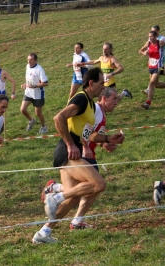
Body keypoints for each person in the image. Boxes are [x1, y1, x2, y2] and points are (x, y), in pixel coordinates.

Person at [32, 68, 124, 244]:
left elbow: (88, 135)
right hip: (67, 152)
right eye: (100, 83)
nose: (102, 87)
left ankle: (44, 232)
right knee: (98, 184)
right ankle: (55, 196)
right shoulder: (82, 99)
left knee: (73, 196)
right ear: (91, 83)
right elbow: (58, 118)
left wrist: (107, 139)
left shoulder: (89, 104)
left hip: (72, 150)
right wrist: (70, 144)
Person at [20, 52, 49, 134]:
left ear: (35, 60)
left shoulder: (39, 69)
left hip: (38, 94)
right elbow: (29, 80)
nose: (29, 61)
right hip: (28, 92)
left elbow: (45, 83)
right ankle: (31, 120)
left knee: (38, 113)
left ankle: (44, 127)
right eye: (28, 59)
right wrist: (25, 85)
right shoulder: (27, 67)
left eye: (31, 60)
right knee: (22, 109)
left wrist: (34, 86)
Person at [139, 31, 165, 110]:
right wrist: (144, 53)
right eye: (149, 36)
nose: (150, 38)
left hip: (158, 66)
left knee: (151, 83)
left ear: (156, 36)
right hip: (151, 66)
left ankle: (148, 103)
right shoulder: (148, 43)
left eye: (152, 36)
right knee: (156, 85)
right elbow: (140, 50)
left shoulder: (160, 43)